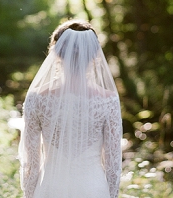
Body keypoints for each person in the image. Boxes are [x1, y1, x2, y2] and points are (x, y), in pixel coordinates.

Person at [19, 20, 122, 198]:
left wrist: (30, 194)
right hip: (93, 190)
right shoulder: (109, 101)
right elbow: (113, 164)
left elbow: (31, 163)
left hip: (50, 189)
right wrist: (111, 194)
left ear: (56, 54)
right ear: (94, 56)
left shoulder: (36, 99)